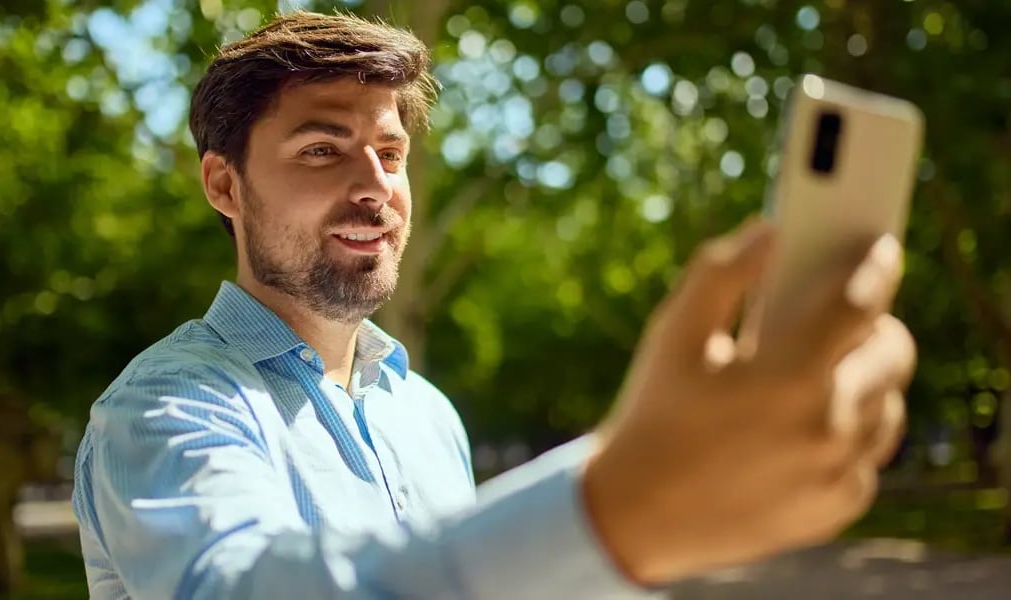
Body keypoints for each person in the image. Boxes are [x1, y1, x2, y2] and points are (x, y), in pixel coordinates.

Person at [71, 11, 915, 599]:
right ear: (225, 184)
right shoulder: (163, 406)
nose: (375, 187)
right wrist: (615, 509)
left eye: (390, 153)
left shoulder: (426, 412)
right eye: (323, 149)